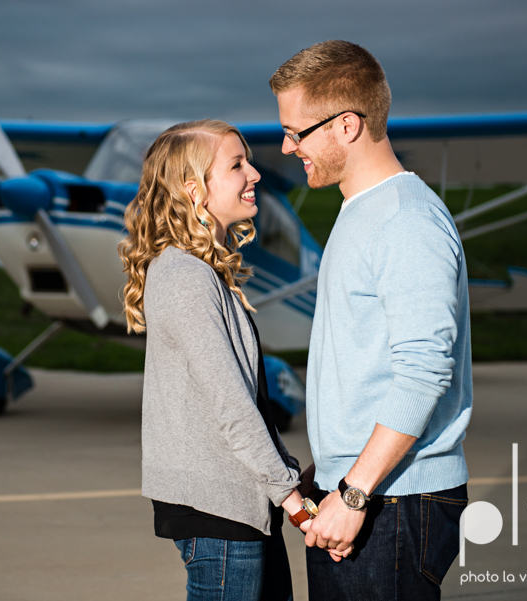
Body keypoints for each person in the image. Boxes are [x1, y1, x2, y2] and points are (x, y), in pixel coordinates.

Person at [269, 40, 472, 600]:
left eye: (297, 132)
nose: (286, 147)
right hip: (366, 489)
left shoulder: (406, 220)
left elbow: (423, 370)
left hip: (393, 500)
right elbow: (367, 362)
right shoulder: (362, 211)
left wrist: (354, 492)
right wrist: (330, 466)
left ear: (348, 125)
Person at [119, 119, 312, 601]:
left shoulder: (202, 271)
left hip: (242, 504)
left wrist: (285, 475)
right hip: (221, 511)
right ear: (194, 189)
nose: (256, 175)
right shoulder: (186, 276)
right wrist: (294, 501)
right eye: (236, 165)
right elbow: (230, 405)